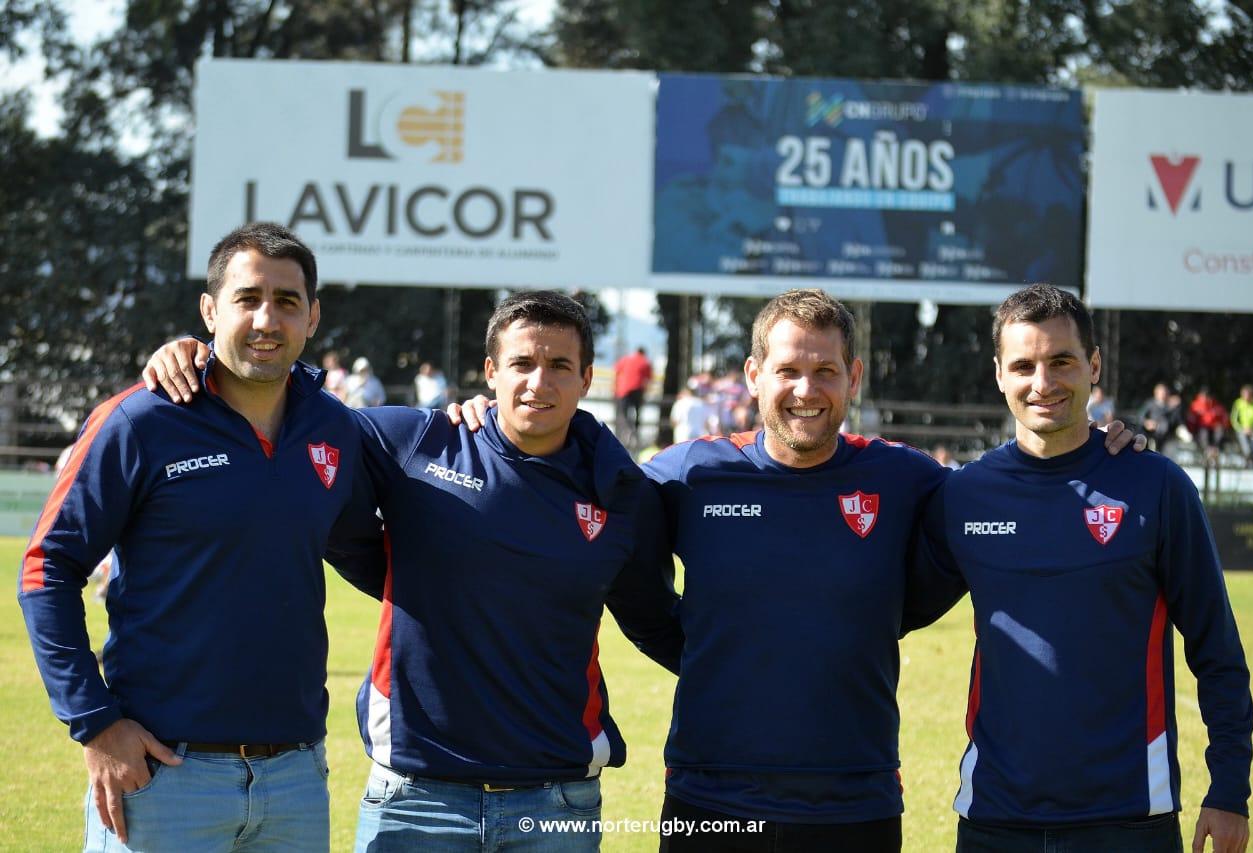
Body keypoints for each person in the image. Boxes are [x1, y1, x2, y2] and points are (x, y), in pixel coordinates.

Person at [452, 289, 1143, 852]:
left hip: (855, 804)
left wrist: (1105, 449)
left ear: (854, 378)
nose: (805, 390)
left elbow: (1004, 504)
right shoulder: (688, 473)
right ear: (753, 375)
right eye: (787, 370)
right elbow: (597, 533)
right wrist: (481, 423)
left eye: (824, 371)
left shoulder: (905, 478)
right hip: (710, 802)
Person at [145, 291, 683, 852]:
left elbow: (653, 620)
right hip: (416, 797)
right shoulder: (417, 440)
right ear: (491, 372)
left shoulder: (621, 491)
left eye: (559, 367)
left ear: (587, 377)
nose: (538, 383)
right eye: (522, 364)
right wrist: (202, 357)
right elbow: (293, 407)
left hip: (557, 802)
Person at [21, 222, 374, 851]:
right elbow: (47, 568)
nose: (267, 319)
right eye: (247, 299)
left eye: (287, 302)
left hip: (294, 777)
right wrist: (95, 724)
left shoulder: (335, 427)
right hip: (162, 777)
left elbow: (361, 549)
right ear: (210, 310)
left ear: (313, 317)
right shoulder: (142, 419)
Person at [915, 284, 1252, 853]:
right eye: (1023, 365)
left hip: (1128, 820)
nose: (1042, 383)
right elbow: (879, 611)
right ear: (999, 374)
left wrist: (1229, 790)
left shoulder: (1156, 485)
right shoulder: (965, 495)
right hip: (995, 818)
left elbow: (1217, 650)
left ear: (1093, 365)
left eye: (1061, 361)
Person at [613, 345, 652, 449]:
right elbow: (648, 379)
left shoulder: (626, 359)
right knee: (638, 413)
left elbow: (616, 371)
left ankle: (627, 431)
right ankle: (635, 432)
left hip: (623, 390)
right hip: (638, 389)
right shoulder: (645, 361)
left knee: (624, 413)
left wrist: (615, 388)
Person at [1188, 386, 1230, 460]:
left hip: (1214, 429)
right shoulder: (1195, 406)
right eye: (1204, 396)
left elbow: (1224, 418)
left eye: (1207, 396)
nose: (1206, 398)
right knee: (1204, 432)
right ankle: (1208, 451)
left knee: (1219, 431)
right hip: (1201, 429)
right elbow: (1191, 420)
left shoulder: (1216, 405)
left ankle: (1214, 450)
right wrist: (1192, 431)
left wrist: (1223, 425)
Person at [1231, 384, 1253, 468]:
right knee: (1246, 447)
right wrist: (1242, 429)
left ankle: (1249, 463)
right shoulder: (1238, 403)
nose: (1245, 398)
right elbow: (1234, 420)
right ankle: (1251, 463)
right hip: (1241, 430)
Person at [1139, 382, 1175, 451]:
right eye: (1161, 393)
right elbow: (1140, 416)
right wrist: (1146, 423)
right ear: (1156, 393)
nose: (1163, 395)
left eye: (1165, 393)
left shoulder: (1170, 406)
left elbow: (1173, 421)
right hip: (1152, 435)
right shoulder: (1150, 404)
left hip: (1166, 437)